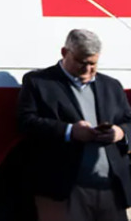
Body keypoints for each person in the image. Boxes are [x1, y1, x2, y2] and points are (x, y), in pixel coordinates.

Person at [17, 29, 131, 221]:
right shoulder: (39, 82)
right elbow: (26, 122)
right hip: (63, 189)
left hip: (110, 188)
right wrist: (69, 131)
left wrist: (120, 133)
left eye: (93, 64)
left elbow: (129, 121)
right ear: (65, 52)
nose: (88, 69)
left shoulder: (111, 86)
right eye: (82, 62)